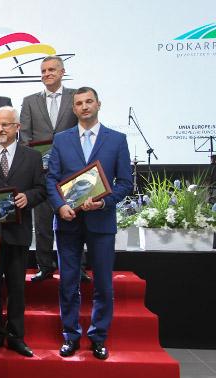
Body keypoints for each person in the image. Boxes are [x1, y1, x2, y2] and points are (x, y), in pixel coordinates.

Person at [46, 87, 132, 360]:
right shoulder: (61, 140)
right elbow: (51, 179)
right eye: (79, 103)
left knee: (103, 284)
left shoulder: (117, 140)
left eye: (89, 102)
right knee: (68, 283)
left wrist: (104, 203)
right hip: (68, 223)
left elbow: (125, 183)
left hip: (101, 222)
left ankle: (98, 337)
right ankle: (70, 336)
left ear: (98, 104)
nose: (84, 107)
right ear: (74, 109)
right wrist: (60, 206)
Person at [0, 107, 46, 356]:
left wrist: (29, 197)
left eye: (5, 124)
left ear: (17, 127)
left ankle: (16, 336)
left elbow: (42, 189)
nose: (0, 129)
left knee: (16, 288)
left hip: (18, 233)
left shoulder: (32, 157)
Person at [19, 56, 90, 283]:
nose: (47, 74)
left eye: (51, 69)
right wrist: (34, 165)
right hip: (41, 174)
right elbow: (25, 137)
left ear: (62, 72)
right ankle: (45, 267)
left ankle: (78, 267)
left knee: (75, 222)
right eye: (43, 71)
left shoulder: (75, 97)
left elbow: (82, 130)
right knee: (42, 224)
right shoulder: (30, 101)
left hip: (70, 174)